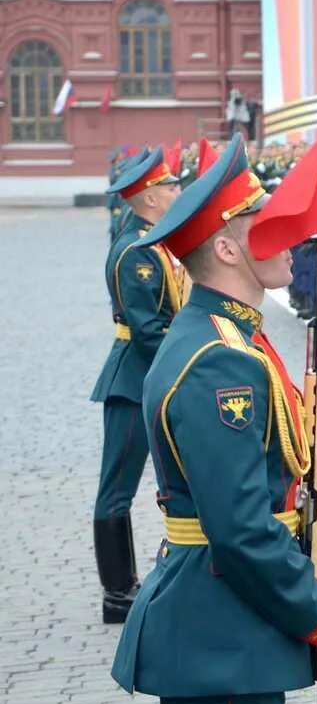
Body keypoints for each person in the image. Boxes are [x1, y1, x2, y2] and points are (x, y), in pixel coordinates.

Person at [110, 135, 317, 704]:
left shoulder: (231, 334)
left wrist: (313, 496)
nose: (290, 237)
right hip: (219, 631)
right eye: (266, 225)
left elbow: (252, 472)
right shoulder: (221, 359)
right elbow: (238, 528)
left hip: (223, 626)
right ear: (226, 248)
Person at [91, 146, 185, 623]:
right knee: (117, 488)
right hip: (132, 380)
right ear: (148, 196)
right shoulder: (136, 253)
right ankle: (116, 592)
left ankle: (129, 583)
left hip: (147, 377)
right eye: (170, 185)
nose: (176, 190)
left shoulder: (152, 240)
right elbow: (148, 330)